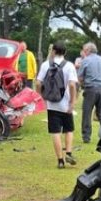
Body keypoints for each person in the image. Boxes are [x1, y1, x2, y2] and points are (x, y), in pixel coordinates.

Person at [36, 41, 79, 169]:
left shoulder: (45, 65)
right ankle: (69, 153)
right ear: (65, 52)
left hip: (51, 104)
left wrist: (41, 97)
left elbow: (38, 83)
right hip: (65, 104)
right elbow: (72, 85)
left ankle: (60, 160)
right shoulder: (69, 66)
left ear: (53, 51)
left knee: (55, 132)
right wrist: (72, 102)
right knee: (69, 129)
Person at [77, 42, 101, 144]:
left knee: (87, 113)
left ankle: (86, 137)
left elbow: (80, 77)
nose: (84, 52)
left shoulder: (86, 60)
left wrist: (83, 85)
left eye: (84, 50)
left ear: (88, 51)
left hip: (90, 89)